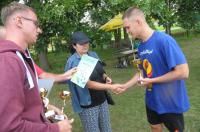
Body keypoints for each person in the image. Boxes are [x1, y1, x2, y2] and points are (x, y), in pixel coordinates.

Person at [0, 2, 72, 132]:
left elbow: (24, 102)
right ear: (19, 21)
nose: (39, 30)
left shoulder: (20, 56)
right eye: (36, 24)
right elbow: (9, 127)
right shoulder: (8, 61)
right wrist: (56, 128)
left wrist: (45, 106)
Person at [121, 6, 190, 132]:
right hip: (152, 100)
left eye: (127, 27)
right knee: (155, 127)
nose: (127, 31)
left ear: (138, 22)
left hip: (170, 101)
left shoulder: (164, 41)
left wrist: (152, 80)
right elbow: (142, 71)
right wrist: (126, 85)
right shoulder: (141, 47)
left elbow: (183, 72)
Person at [64, 31, 123, 132]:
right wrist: (111, 87)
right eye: (81, 44)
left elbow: (101, 71)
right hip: (88, 105)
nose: (85, 45)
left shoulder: (93, 54)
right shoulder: (73, 62)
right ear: (74, 46)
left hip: (102, 99)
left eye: (86, 42)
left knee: (107, 129)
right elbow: (88, 84)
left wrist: (105, 77)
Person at [0, 25, 76, 83]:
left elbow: (42, 75)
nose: (39, 31)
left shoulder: (23, 57)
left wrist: (66, 75)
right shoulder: (6, 62)